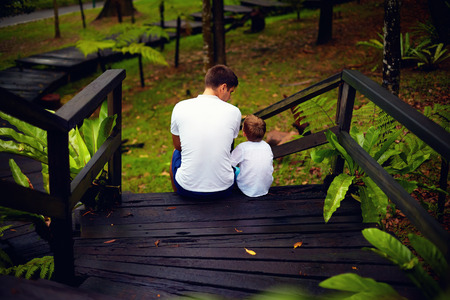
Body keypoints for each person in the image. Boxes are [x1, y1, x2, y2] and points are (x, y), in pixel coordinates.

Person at [170, 64, 241, 199]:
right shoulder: (234, 112)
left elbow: (178, 146)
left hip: (187, 189)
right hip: (224, 189)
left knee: (176, 153)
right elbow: (228, 146)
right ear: (223, 87)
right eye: (230, 92)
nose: (229, 97)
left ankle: (177, 197)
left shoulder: (180, 107)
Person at [231, 114, 273, 197]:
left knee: (235, 170)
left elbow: (229, 164)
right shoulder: (266, 146)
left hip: (246, 189)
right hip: (265, 188)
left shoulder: (242, 147)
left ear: (244, 133)